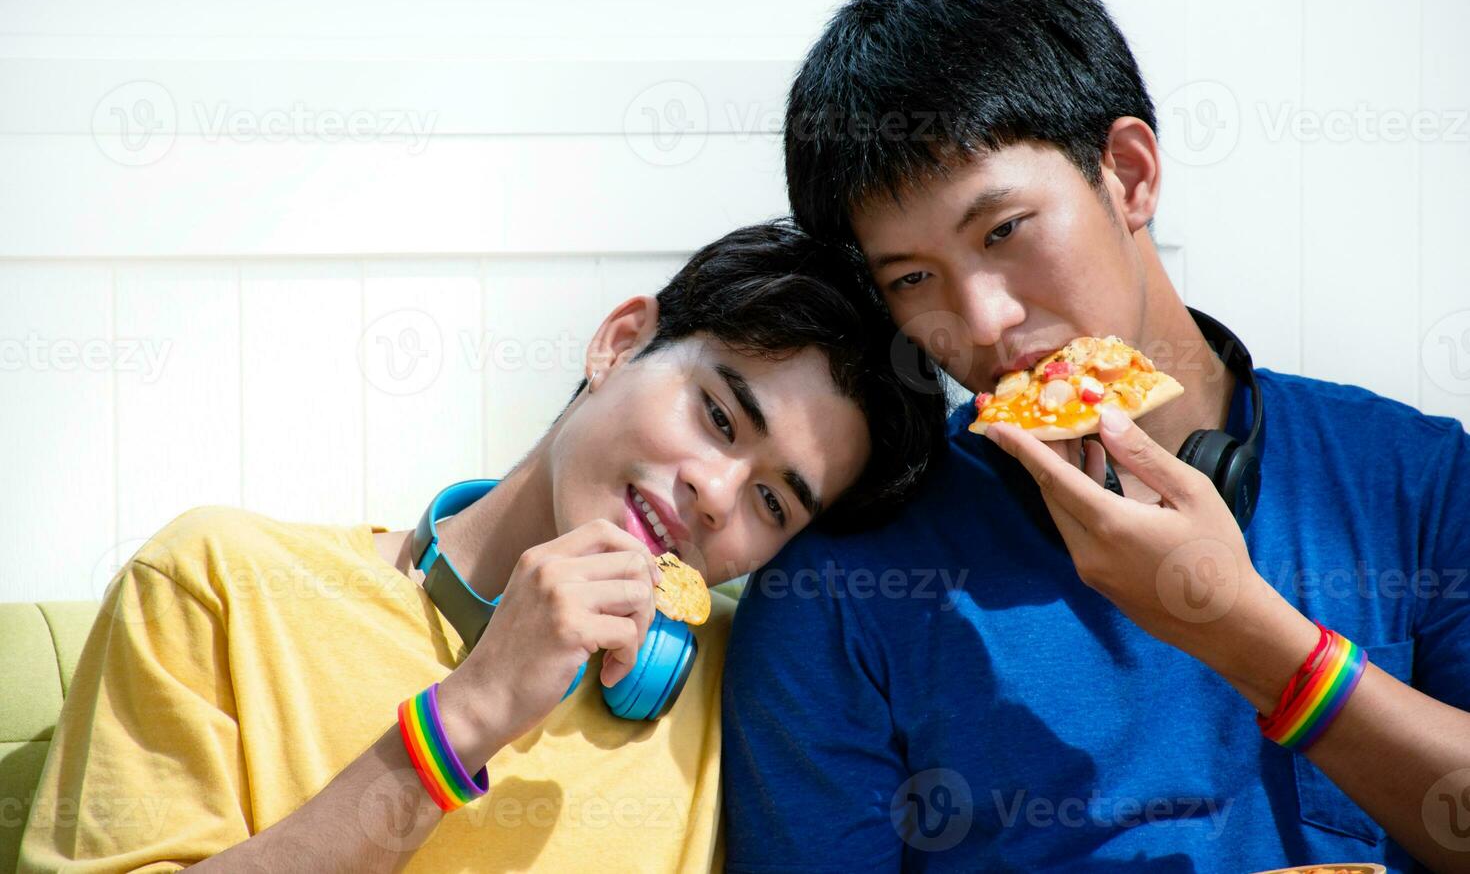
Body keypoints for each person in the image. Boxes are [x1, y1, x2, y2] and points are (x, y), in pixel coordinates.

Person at [722, 0, 1470, 873]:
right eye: (914, 279)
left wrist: (1246, 636)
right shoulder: (836, 595)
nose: (985, 321)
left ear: (1128, 173)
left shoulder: (1413, 478)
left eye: (1004, 231)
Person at [18, 220, 948, 873]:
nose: (715, 491)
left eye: (775, 504)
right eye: (716, 414)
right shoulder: (216, 582)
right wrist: (467, 716)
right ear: (620, 343)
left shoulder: (750, 684)